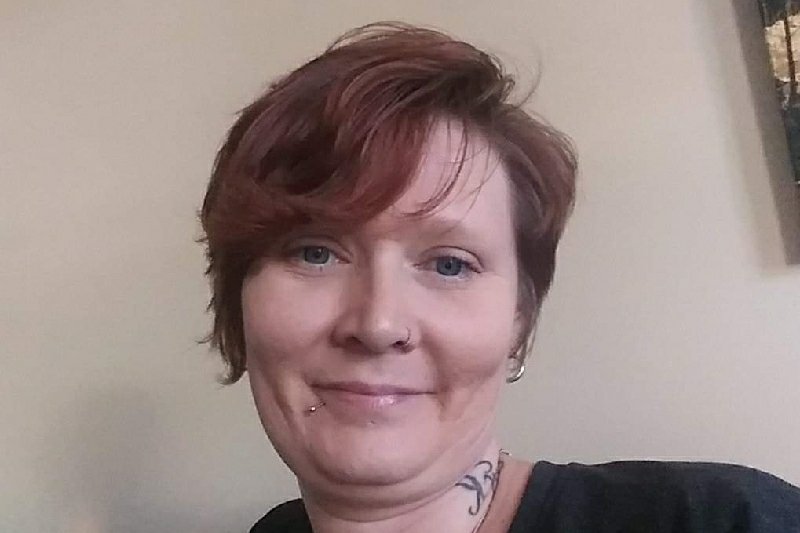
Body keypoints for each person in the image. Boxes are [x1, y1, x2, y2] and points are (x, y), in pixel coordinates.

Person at [198, 21, 800, 533]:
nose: (378, 324)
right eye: (315, 253)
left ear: (519, 320)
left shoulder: (725, 519)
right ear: (236, 304)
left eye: (449, 264)